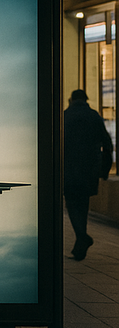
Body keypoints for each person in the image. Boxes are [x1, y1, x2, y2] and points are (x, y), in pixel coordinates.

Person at [64, 89, 113, 261]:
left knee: (71, 203)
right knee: (83, 204)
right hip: (89, 168)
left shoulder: (65, 116)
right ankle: (80, 242)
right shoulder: (94, 116)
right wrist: (105, 170)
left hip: (69, 168)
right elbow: (107, 144)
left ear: (71, 100)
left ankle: (81, 237)